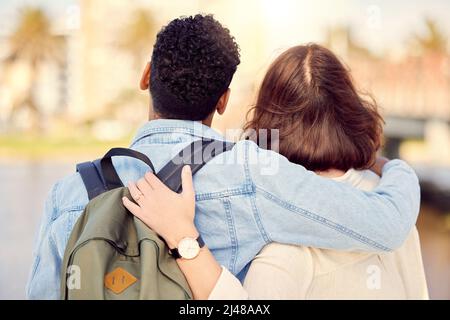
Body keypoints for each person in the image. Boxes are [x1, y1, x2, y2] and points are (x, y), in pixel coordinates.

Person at [27, 15, 420, 300]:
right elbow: (385, 225)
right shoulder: (254, 172)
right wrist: (393, 166)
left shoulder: (69, 193)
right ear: (224, 99)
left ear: (146, 76)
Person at [124, 44, 428, 300]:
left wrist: (185, 239)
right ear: (353, 113)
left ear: (268, 120)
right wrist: (391, 166)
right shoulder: (397, 206)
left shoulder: (285, 241)